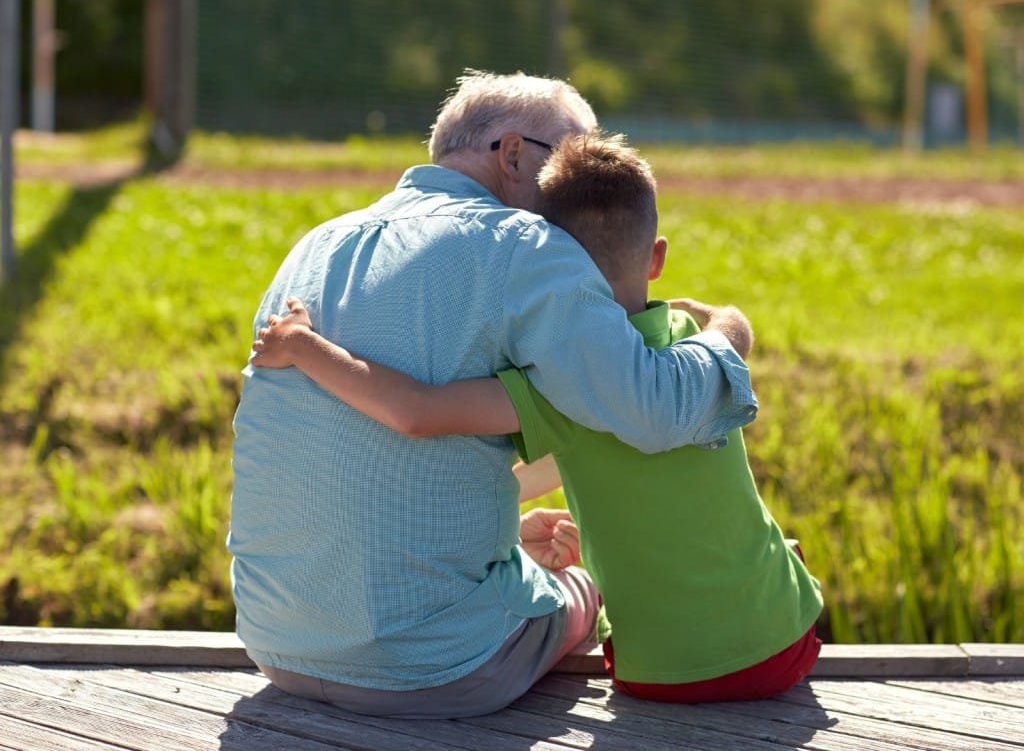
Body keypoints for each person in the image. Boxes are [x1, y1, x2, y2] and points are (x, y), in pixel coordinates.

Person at [230, 71, 758, 719]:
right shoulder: (526, 244)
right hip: (437, 668)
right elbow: (655, 408)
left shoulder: (315, 245)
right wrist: (729, 332)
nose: (575, 192)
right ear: (511, 155)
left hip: (275, 643)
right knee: (588, 584)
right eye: (567, 162)